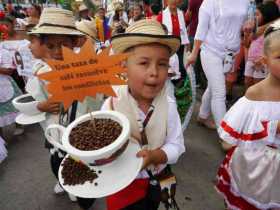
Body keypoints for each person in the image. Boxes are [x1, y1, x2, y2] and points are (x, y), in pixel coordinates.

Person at [26, 8, 103, 209]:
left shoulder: (85, 70)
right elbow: (33, 103)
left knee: (84, 172)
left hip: (81, 134)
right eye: (51, 45)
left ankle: (84, 198)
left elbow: (97, 100)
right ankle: (64, 181)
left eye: (64, 44)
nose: (58, 51)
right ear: (43, 46)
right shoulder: (41, 73)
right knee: (57, 163)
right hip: (54, 134)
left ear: (74, 43)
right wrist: (40, 105)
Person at [105, 19, 185, 210]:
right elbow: (101, 147)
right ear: (124, 67)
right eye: (143, 63)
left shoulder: (168, 105)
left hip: (156, 180)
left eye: (162, 64)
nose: (154, 73)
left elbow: (177, 145)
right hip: (122, 186)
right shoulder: (111, 104)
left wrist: (154, 156)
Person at [216, 20, 280, 209]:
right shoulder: (255, 94)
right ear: (265, 60)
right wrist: (273, 127)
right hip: (254, 169)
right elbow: (229, 141)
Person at [187, 0, 251, 130]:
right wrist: (194, 53)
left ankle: (203, 116)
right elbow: (201, 29)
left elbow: (247, 23)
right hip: (211, 51)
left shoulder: (246, 2)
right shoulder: (210, 2)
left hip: (231, 53)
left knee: (213, 86)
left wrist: (248, 28)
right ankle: (225, 134)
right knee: (219, 92)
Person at [244, 1, 280, 89]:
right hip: (250, 60)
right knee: (247, 81)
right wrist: (246, 35)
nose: (254, 17)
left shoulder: (272, 31)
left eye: (257, 15)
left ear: (266, 16)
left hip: (261, 61)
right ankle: (250, 101)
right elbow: (247, 44)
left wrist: (262, 59)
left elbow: (272, 48)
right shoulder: (255, 28)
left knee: (258, 84)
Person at [157, 0, 189, 81]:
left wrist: (187, 43)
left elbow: (184, 29)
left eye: (175, 0)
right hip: (169, 46)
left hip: (180, 45)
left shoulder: (181, 13)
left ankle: (181, 87)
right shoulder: (162, 15)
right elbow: (158, 31)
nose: (173, 2)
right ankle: (173, 86)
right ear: (166, 2)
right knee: (170, 68)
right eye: (171, 0)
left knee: (182, 67)